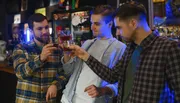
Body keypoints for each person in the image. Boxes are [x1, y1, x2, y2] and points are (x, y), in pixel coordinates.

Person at [66, 1, 180, 103]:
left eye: (119, 28)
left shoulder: (168, 48)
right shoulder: (131, 48)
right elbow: (112, 76)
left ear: (133, 23)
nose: (118, 33)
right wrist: (84, 55)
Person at [60, 5, 126, 103]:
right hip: (68, 98)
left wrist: (103, 90)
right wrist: (66, 53)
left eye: (97, 24)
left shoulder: (120, 48)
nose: (92, 27)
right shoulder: (87, 43)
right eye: (91, 23)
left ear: (110, 24)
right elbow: (69, 71)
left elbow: (120, 83)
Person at [12, 13, 68, 103]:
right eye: (39, 29)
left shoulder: (56, 49)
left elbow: (64, 73)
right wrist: (40, 58)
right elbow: (20, 72)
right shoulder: (21, 48)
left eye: (46, 27)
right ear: (30, 31)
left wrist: (55, 85)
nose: (44, 31)